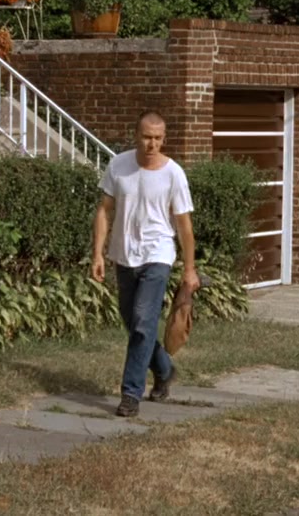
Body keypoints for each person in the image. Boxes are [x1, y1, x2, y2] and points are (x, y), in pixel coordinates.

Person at [90, 110, 199, 417]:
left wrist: (189, 269)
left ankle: (130, 394)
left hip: (158, 254)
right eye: (147, 137)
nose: (152, 144)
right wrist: (98, 253)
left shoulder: (173, 174)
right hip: (124, 254)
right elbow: (104, 210)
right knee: (132, 321)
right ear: (135, 135)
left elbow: (184, 226)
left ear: (164, 139)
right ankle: (164, 370)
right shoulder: (119, 165)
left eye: (158, 138)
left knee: (142, 321)